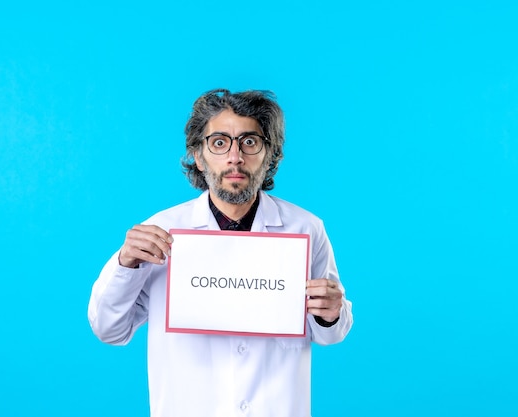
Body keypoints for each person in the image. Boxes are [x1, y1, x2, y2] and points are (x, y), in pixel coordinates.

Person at [88, 89, 353, 417]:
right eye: (219, 142)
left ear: (270, 155)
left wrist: (331, 311)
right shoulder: (162, 231)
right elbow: (109, 329)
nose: (235, 157)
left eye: (250, 142)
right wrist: (125, 264)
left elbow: (331, 333)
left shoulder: (305, 228)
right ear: (199, 155)